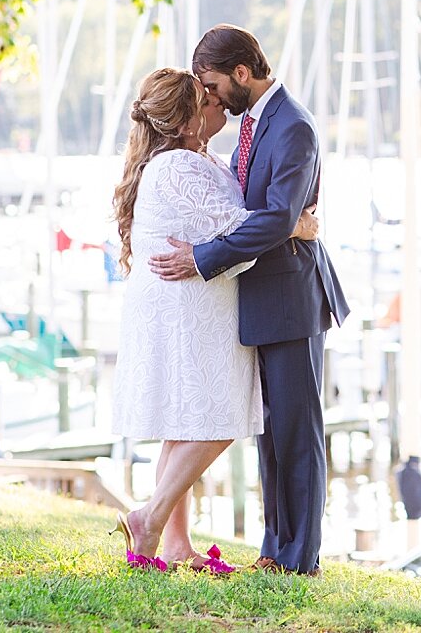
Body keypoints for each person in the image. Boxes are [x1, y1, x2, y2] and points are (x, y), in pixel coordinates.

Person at [151, 24, 349, 577]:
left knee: (297, 434)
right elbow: (267, 215)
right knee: (271, 436)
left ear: (242, 73)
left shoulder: (293, 127)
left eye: (213, 85)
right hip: (258, 299)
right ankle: (274, 549)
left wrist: (202, 257)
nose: (210, 97)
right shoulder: (255, 124)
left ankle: (300, 559)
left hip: (291, 297)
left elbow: (278, 218)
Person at [109, 66, 317, 572]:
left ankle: (176, 545)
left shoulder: (189, 161)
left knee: (183, 426)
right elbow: (241, 230)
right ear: (186, 120)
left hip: (188, 307)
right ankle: (151, 517)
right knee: (221, 418)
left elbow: (225, 226)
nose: (220, 104)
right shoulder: (183, 166)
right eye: (207, 100)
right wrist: (297, 224)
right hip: (195, 310)